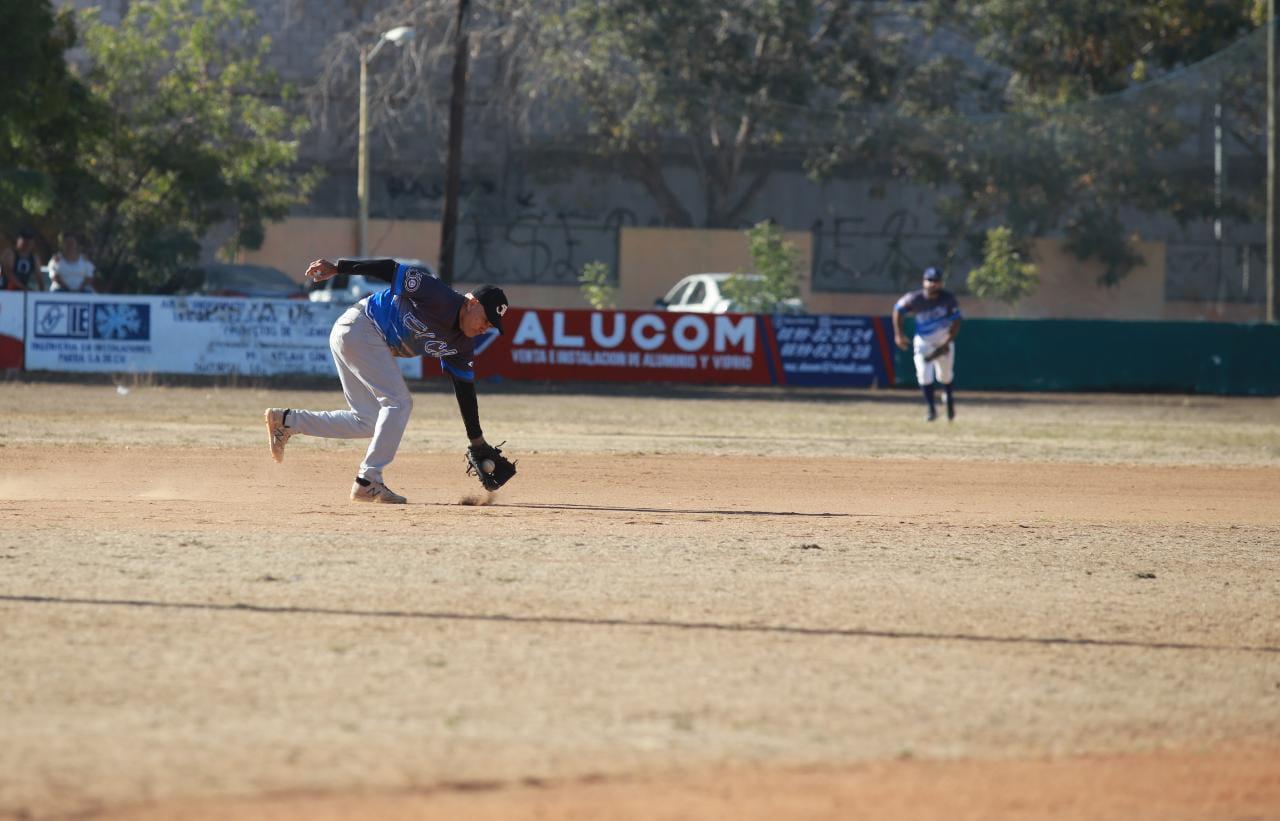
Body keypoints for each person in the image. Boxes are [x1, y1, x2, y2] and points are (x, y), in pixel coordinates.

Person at [264, 257, 511, 504]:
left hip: (358, 337)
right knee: (399, 403)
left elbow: (465, 390)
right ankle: (368, 479)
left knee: (368, 421)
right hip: (360, 326)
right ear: (472, 303)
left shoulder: (462, 346)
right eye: (486, 319)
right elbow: (390, 269)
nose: (485, 327)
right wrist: (339, 268)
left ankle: (286, 421)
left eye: (492, 325)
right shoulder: (437, 294)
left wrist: (477, 442)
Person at [893, 266, 962, 422]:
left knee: (945, 376)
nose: (933, 284)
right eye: (929, 280)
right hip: (924, 341)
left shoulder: (948, 299)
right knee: (923, 375)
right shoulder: (915, 298)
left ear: (941, 283)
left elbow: (957, 321)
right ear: (923, 281)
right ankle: (931, 409)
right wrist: (899, 335)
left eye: (936, 281)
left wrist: (947, 342)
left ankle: (949, 398)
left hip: (943, 340)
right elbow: (897, 310)